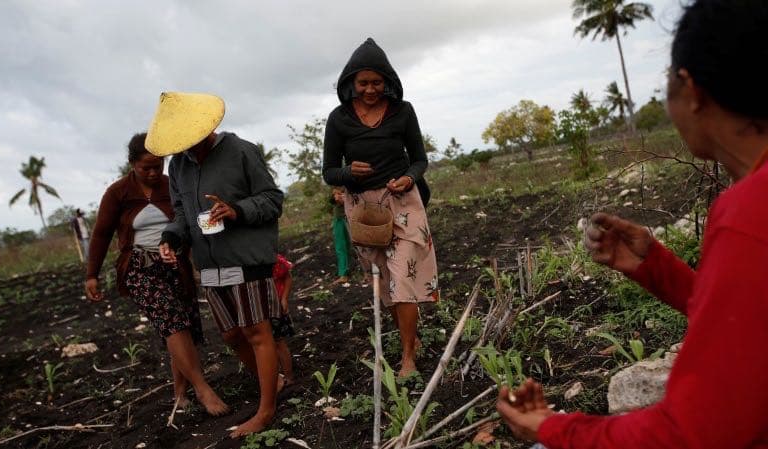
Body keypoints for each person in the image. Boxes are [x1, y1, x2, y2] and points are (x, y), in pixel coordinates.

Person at [496, 1, 768, 448]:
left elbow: (690, 433)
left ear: (691, 88)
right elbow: (751, 324)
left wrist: (552, 429)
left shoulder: (749, 213)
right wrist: (658, 268)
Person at [147, 92, 284, 437]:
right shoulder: (178, 165)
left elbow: (272, 199)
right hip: (209, 264)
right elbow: (182, 214)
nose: (186, 147)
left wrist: (236, 210)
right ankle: (275, 382)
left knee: (256, 331)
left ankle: (266, 410)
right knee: (230, 334)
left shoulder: (240, 151)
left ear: (203, 128)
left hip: (246, 257)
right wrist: (171, 239)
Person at [84, 133, 228, 416]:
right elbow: (101, 234)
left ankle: (180, 394)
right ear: (132, 164)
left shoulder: (170, 184)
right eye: (145, 168)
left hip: (176, 264)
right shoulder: (118, 193)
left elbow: (188, 219)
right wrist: (92, 274)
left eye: (157, 166)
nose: (152, 173)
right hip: (141, 268)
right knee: (172, 322)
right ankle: (203, 389)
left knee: (181, 326)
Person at [323, 38, 438, 378]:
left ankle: (406, 358)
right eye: (364, 83)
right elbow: (329, 170)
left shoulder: (403, 111)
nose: (371, 89)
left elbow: (419, 160)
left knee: (403, 274)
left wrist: (408, 177)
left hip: (402, 200)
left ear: (387, 81)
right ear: (351, 83)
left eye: (377, 82)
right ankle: (410, 339)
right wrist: (347, 173)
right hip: (362, 208)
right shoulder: (339, 119)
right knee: (386, 280)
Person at [272, 253, 295, 384]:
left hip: (276, 307)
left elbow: (287, 277)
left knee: (278, 342)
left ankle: (288, 376)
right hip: (261, 308)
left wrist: (284, 298)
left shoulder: (275, 260)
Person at [330, 187, 351, 284]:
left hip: (350, 217)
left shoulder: (349, 180)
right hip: (339, 219)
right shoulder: (334, 180)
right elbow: (331, 201)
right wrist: (336, 197)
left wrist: (345, 199)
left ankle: (368, 273)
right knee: (340, 247)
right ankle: (344, 274)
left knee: (360, 245)